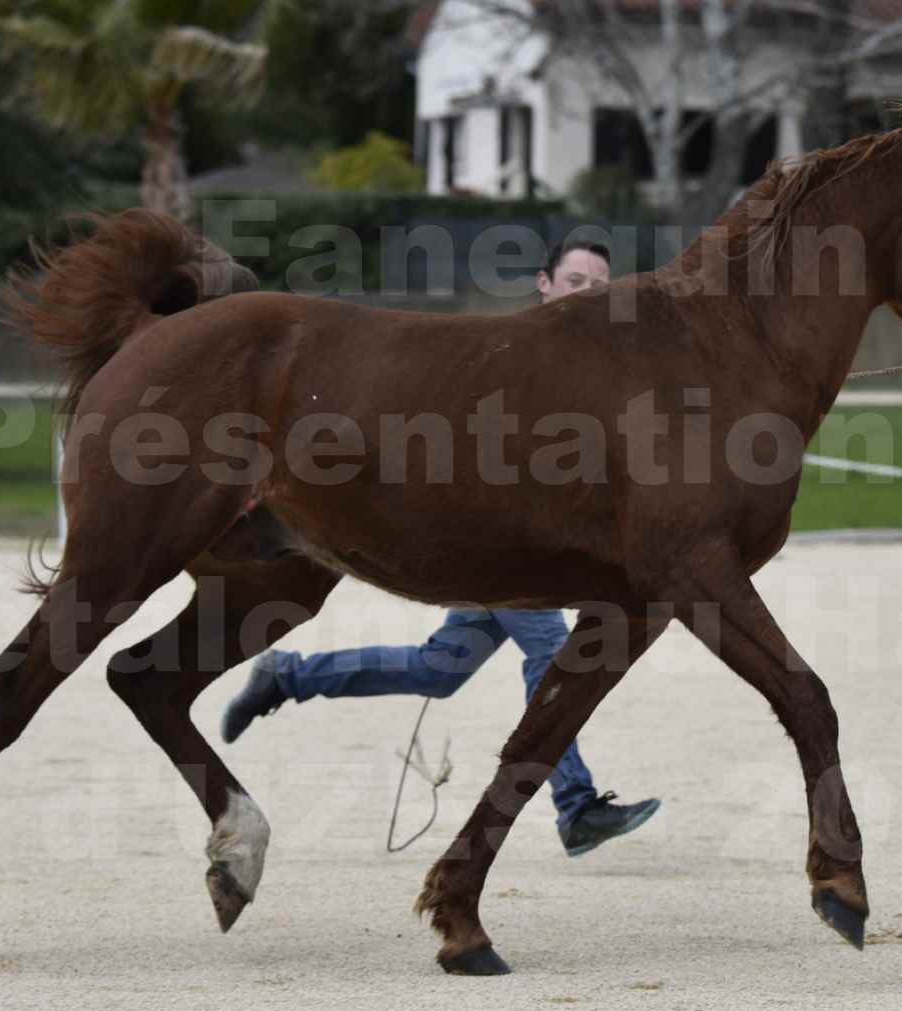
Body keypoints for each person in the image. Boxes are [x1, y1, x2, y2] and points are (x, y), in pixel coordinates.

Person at [220, 239, 660, 858]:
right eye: (576, 279)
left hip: (527, 549)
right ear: (545, 284)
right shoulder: (516, 351)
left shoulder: (604, 363)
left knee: (441, 669)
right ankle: (575, 804)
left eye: (601, 283)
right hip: (501, 544)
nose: (589, 292)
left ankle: (287, 676)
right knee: (552, 653)